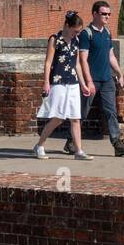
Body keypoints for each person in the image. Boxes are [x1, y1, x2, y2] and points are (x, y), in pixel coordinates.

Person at [71, 0, 124, 156]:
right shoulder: (87, 34)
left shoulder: (107, 32)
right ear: (94, 14)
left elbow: (110, 56)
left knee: (111, 112)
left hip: (107, 79)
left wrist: (119, 73)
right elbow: (83, 60)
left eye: (109, 14)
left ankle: (117, 144)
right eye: (104, 14)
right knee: (82, 112)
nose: (107, 17)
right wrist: (88, 81)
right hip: (92, 80)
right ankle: (71, 142)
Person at [31, 11, 93, 160]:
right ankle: (39, 145)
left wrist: (83, 84)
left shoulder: (76, 41)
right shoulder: (55, 39)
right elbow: (48, 63)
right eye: (75, 31)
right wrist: (46, 82)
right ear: (67, 26)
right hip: (58, 82)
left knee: (75, 118)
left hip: (73, 83)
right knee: (58, 117)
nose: (76, 34)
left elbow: (77, 64)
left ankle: (79, 151)